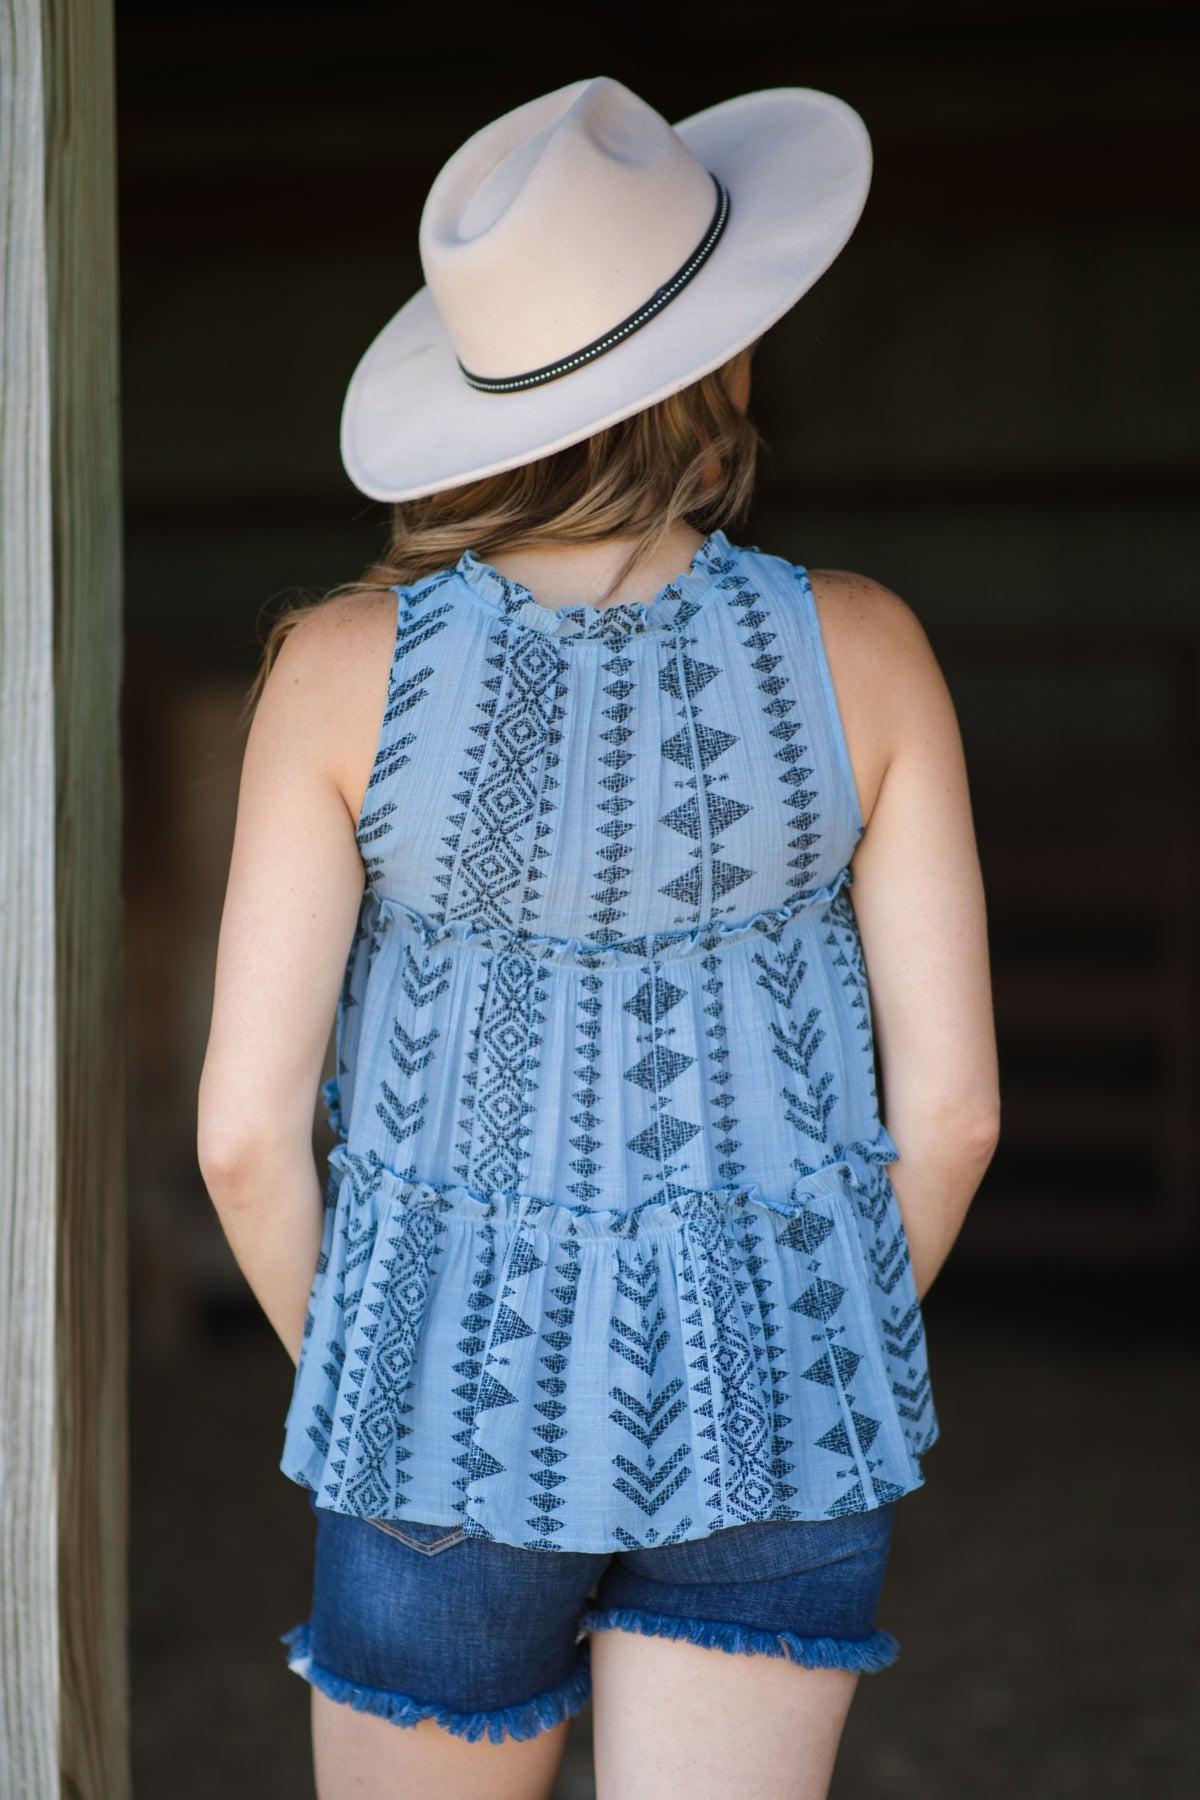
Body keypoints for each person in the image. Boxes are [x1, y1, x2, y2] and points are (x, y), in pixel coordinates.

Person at [198, 75, 999, 1800]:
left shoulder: (340, 673)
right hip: (785, 1415)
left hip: (438, 1427)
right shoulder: (867, 649)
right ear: (718, 359)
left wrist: (391, 1375)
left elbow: (246, 1140)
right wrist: (801, 1340)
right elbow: (956, 1116)